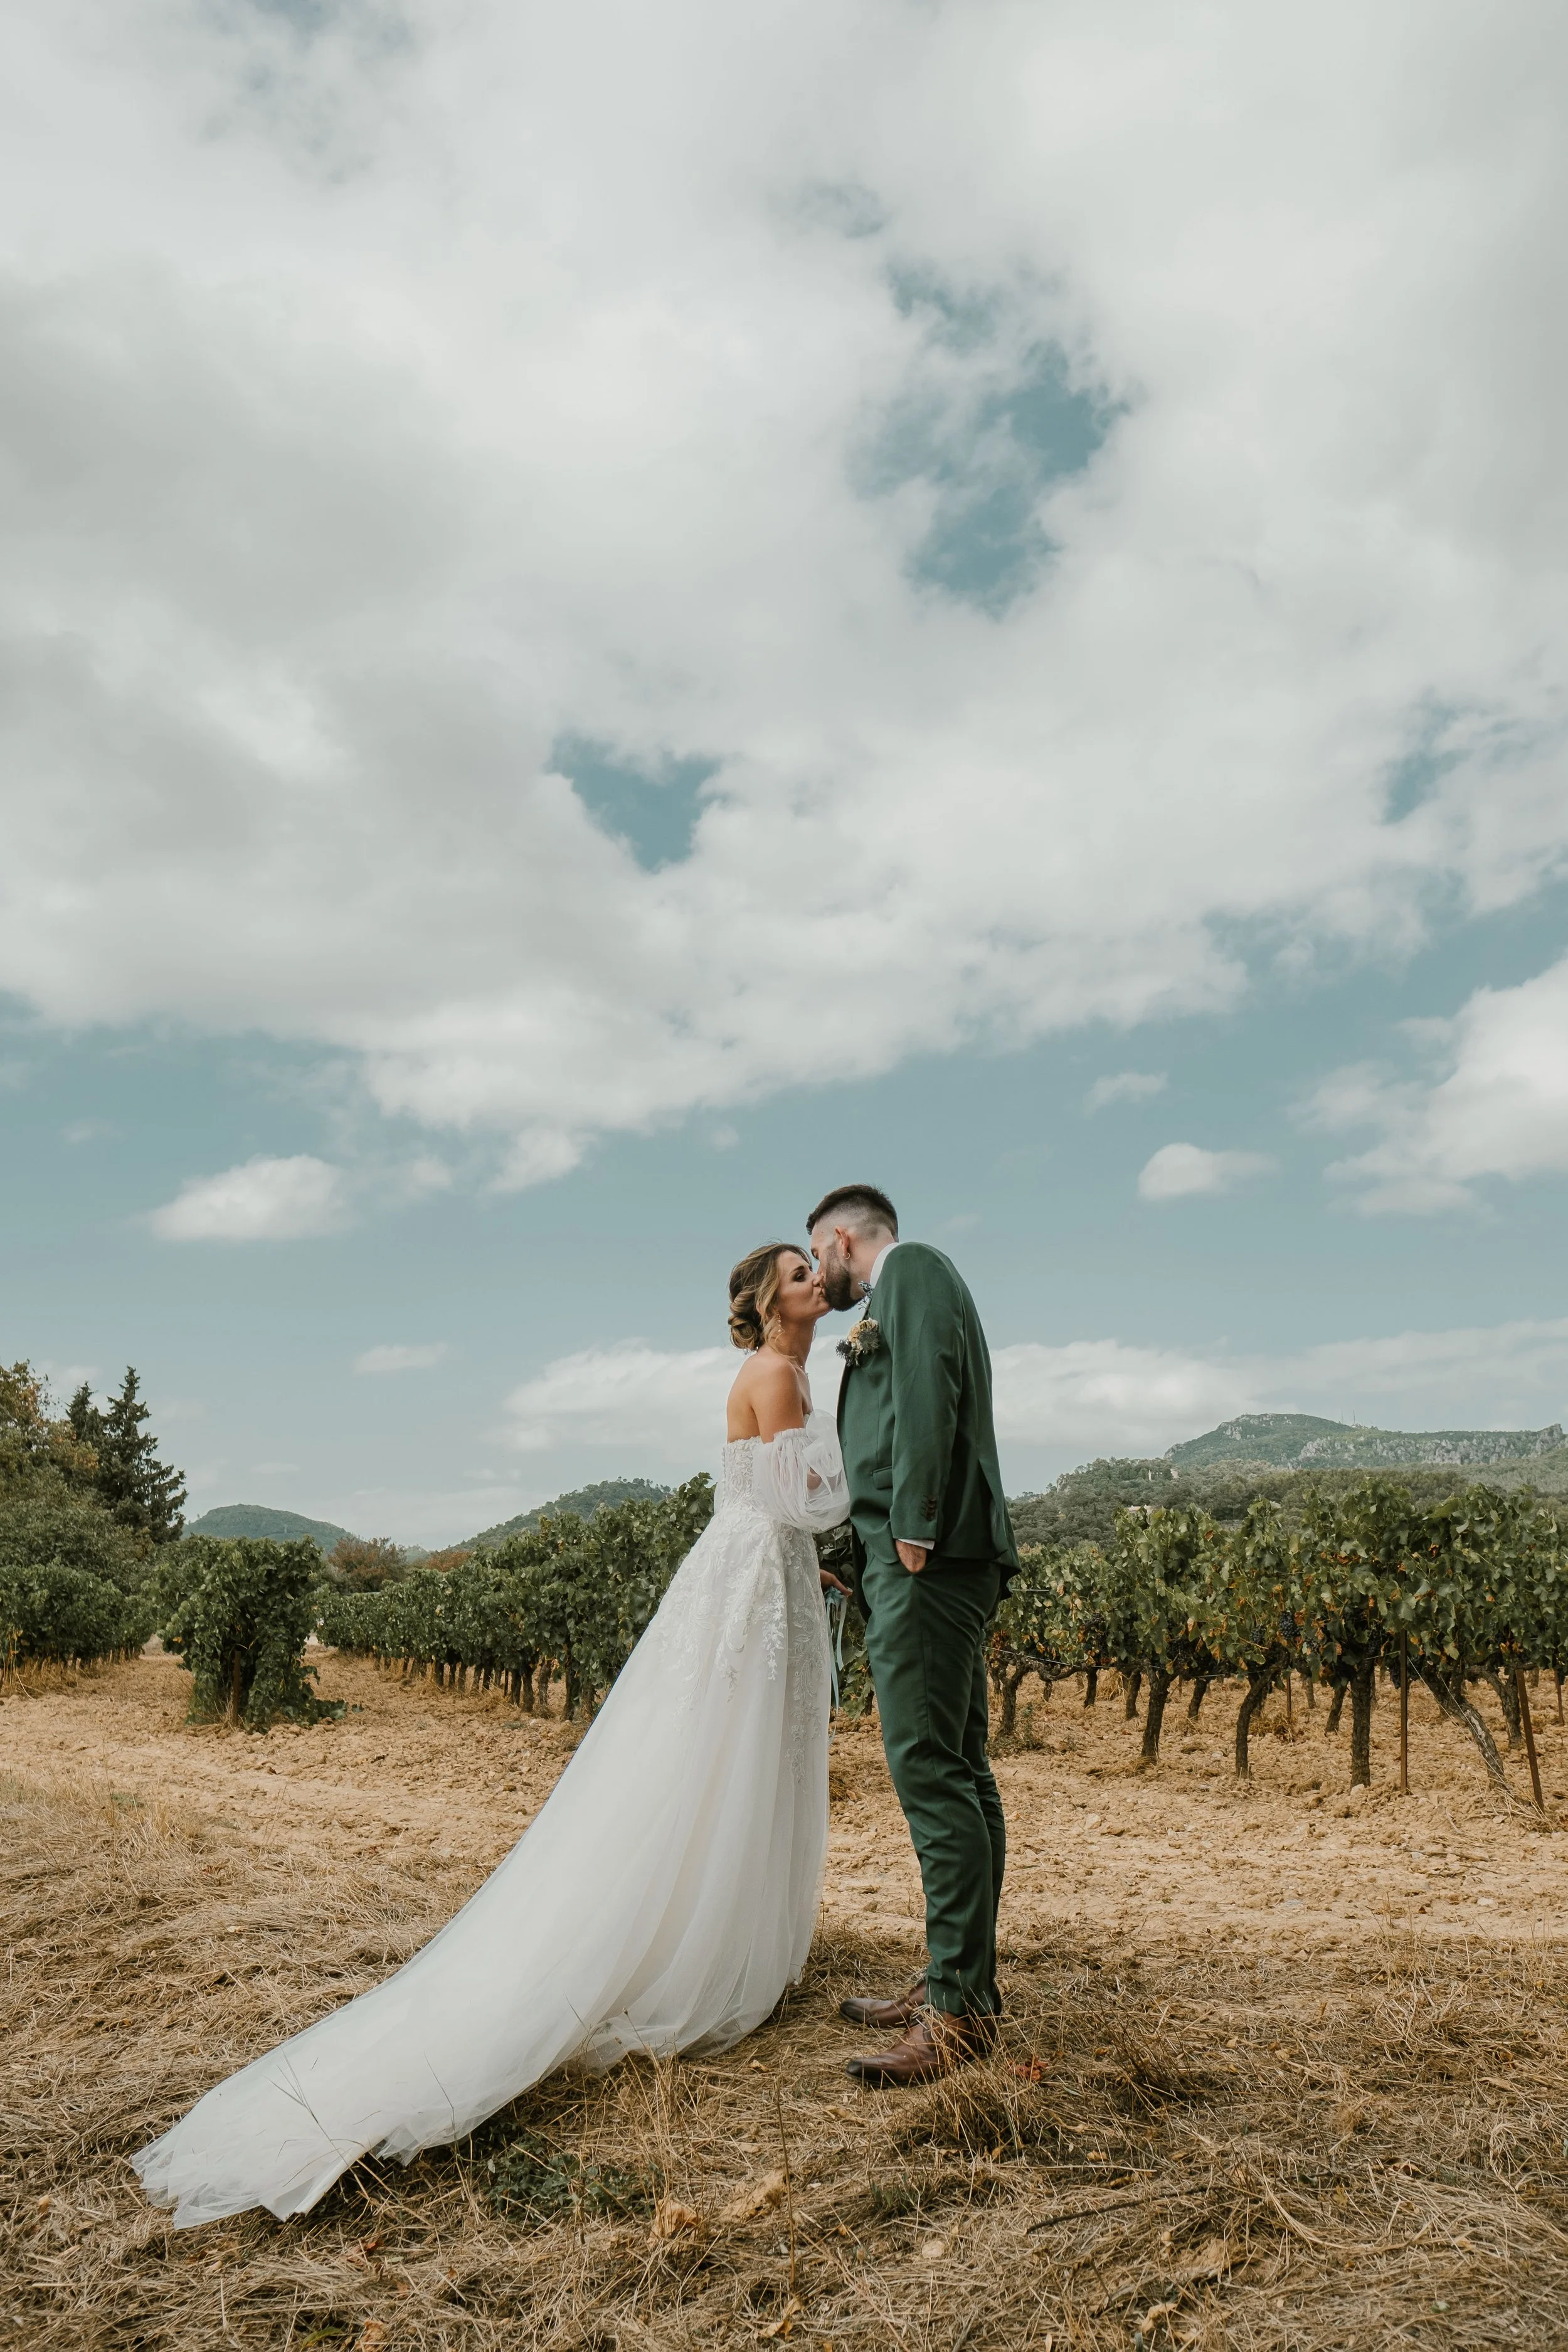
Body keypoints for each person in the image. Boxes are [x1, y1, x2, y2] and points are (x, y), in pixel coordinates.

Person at [134, 1243, 849, 2229]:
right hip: (752, 1577)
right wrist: (853, 1418)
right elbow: (810, 1499)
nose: (817, 1280)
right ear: (770, 1304)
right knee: (725, 1760)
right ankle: (693, 1945)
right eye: (800, 1274)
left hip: (762, 1572)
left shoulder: (787, 1370)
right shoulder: (777, 1373)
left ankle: (717, 1927)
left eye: (815, 1270)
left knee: (739, 1757)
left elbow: (778, 1506)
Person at [808, 1183, 1018, 2087]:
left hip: (926, 1560)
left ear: (841, 1238)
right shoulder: (892, 1294)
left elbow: (931, 1388)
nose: (817, 1275)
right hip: (921, 1561)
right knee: (960, 1768)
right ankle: (957, 1984)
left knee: (930, 1772)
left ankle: (958, 2016)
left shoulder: (915, 1270)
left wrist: (915, 1527)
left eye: (816, 1256)